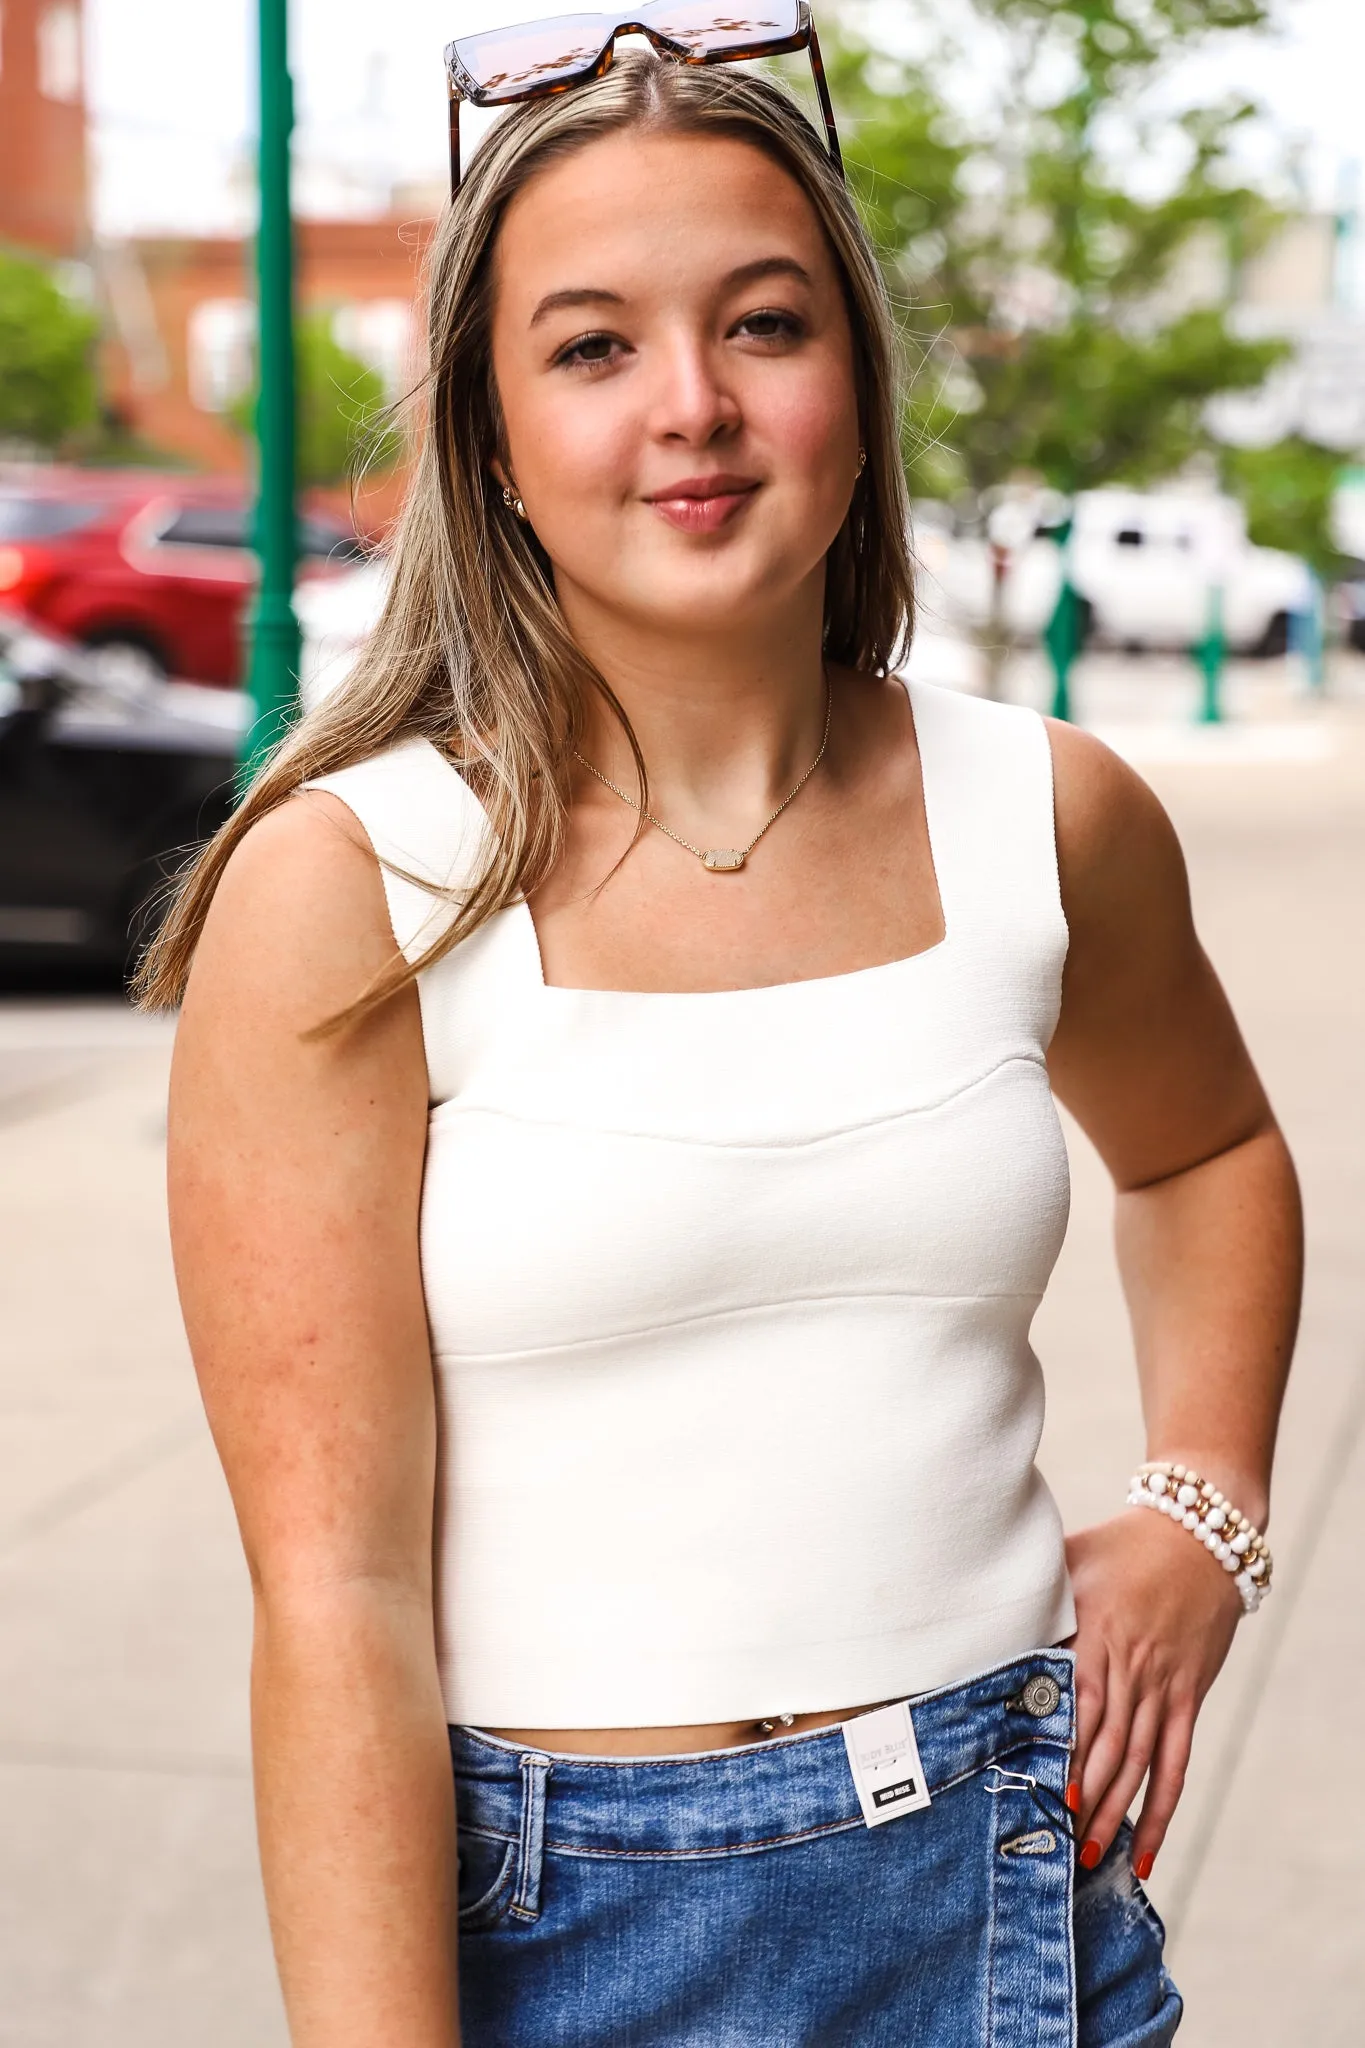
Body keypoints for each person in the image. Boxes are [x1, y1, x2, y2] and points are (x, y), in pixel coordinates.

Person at [140, 45, 1301, 2048]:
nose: (694, 402)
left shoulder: (1051, 818)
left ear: (852, 376)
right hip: (563, 1937)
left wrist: (1205, 1503)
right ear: (489, 436)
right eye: (591, 347)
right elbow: (336, 1606)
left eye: (762, 323)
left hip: (1008, 1899)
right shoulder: (355, 890)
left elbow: (1205, 1155)